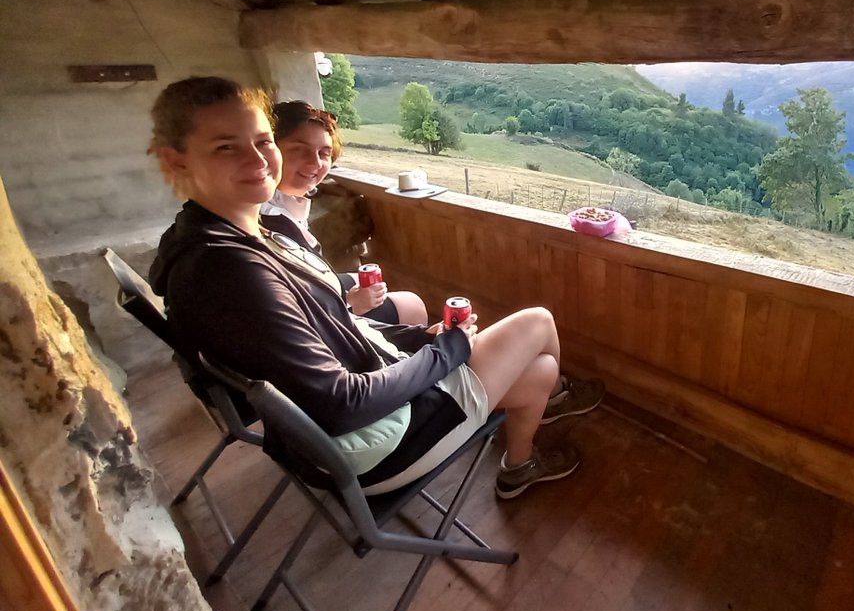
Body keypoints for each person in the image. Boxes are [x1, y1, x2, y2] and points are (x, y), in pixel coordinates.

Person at [147, 77, 604, 498]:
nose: (256, 159)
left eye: (263, 140)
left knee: (538, 372)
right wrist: (446, 350)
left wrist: (415, 340)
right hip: (369, 449)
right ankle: (538, 426)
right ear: (176, 159)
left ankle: (520, 462)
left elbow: (338, 328)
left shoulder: (223, 236)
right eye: (226, 147)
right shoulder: (227, 270)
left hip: (338, 429)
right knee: (538, 322)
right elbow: (343, 404)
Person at [260, 100, 426, 326]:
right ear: (269, 152)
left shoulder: (285, 205)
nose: (315, 163)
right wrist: (350, 303)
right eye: (299, 150)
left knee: (359, 278)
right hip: (319, 324)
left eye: (324, 153)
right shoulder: (267, 222)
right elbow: (287, 311)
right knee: (411, 304)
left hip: (317, 294)